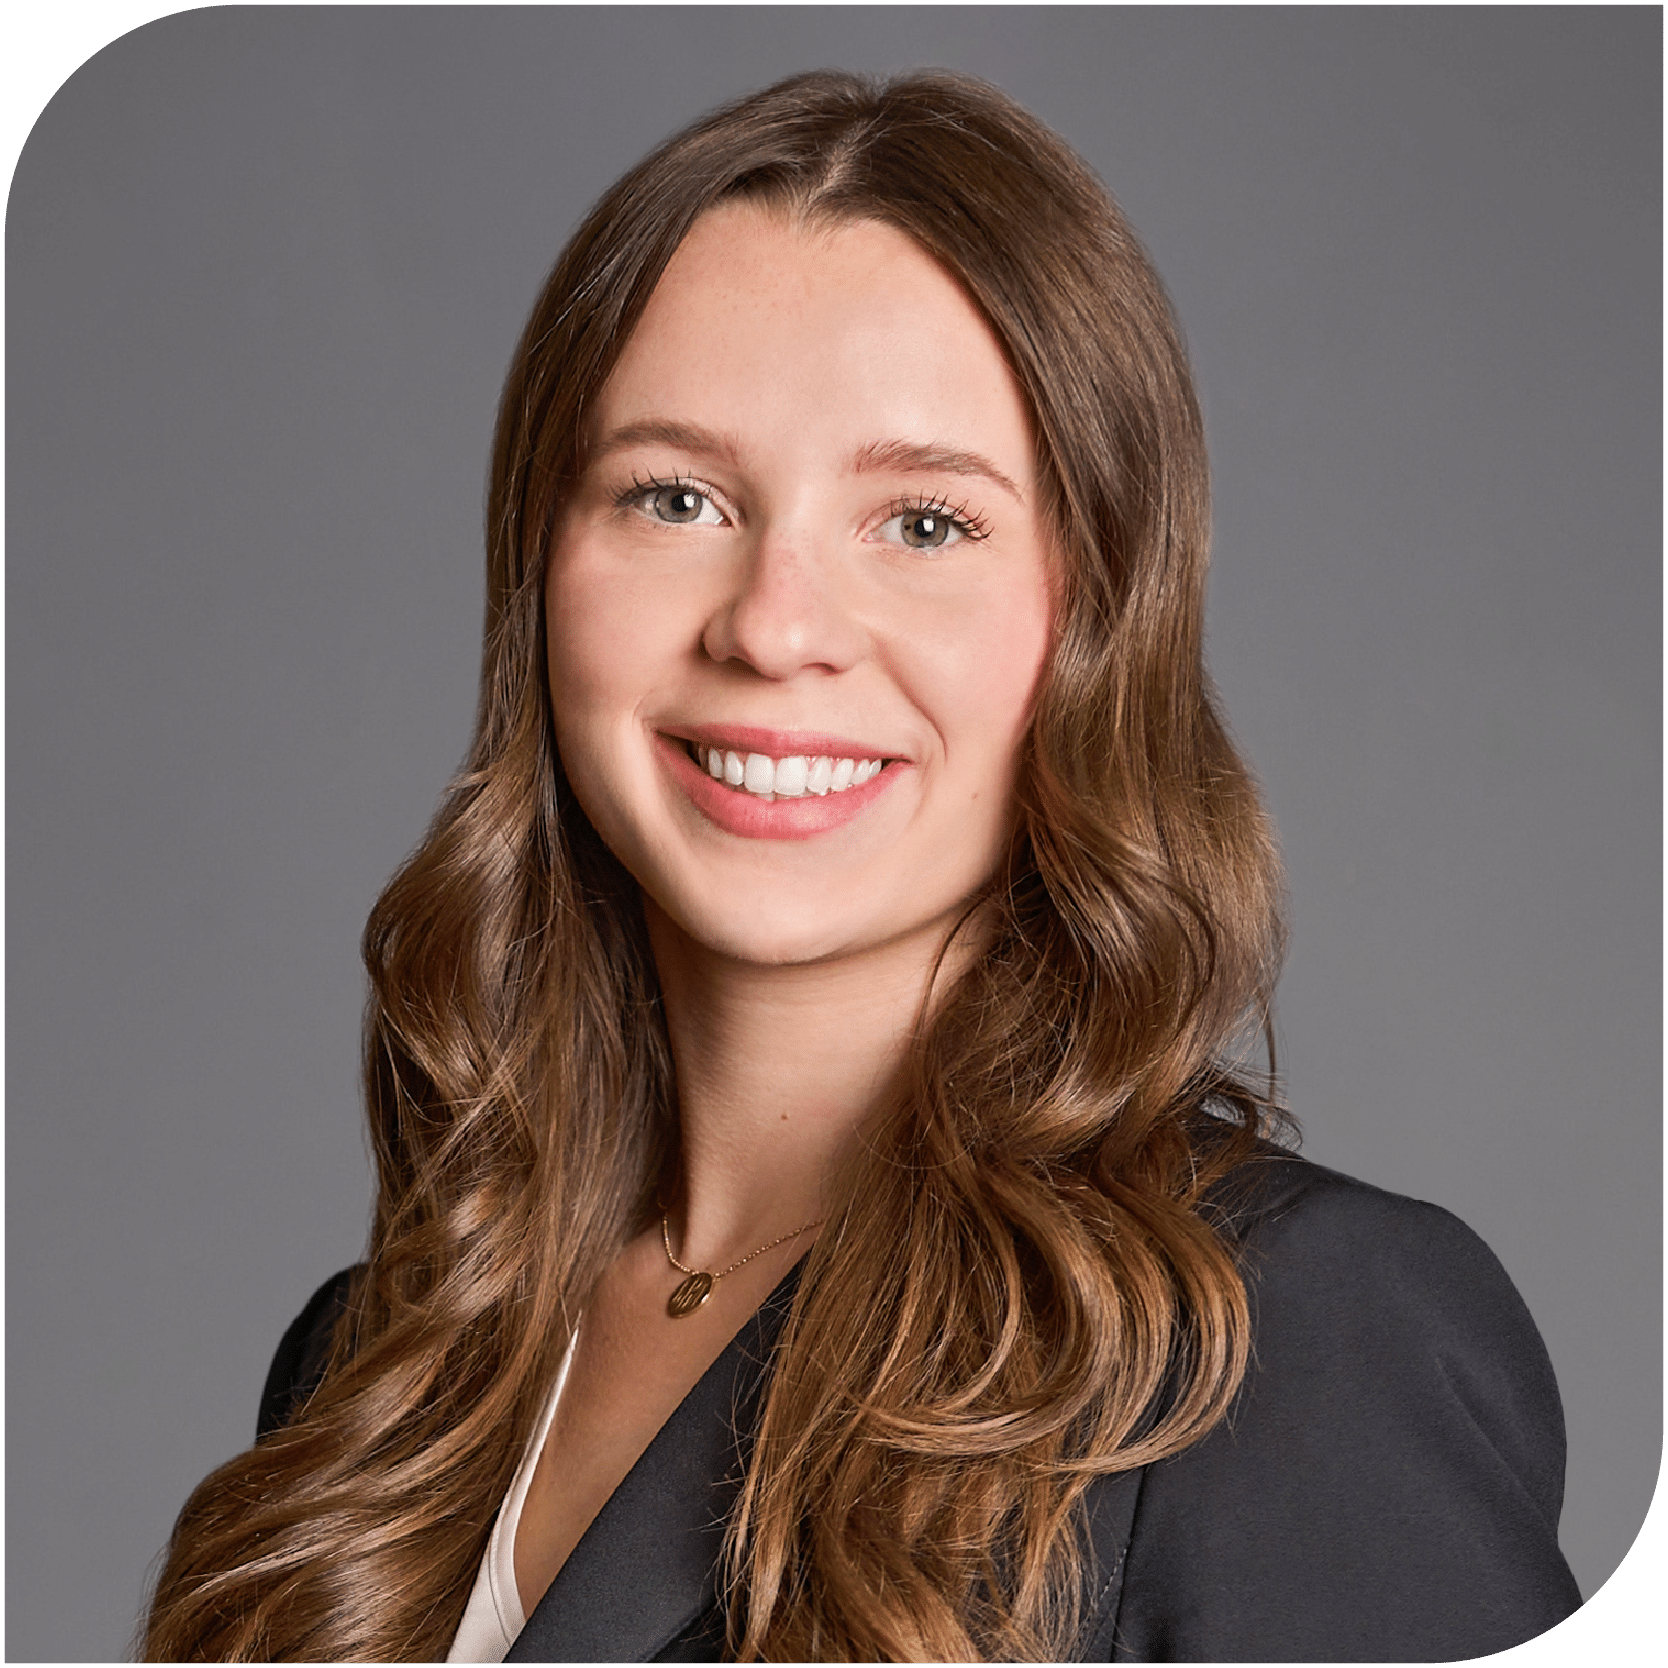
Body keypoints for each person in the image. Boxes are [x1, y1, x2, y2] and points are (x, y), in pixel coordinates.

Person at [139, 69, 1582, 1664]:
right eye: (675, 496)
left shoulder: (1282, 1343)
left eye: (922, 524)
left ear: (1098, 615)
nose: (772, 624)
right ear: (540, 572)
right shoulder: (371, 1372)